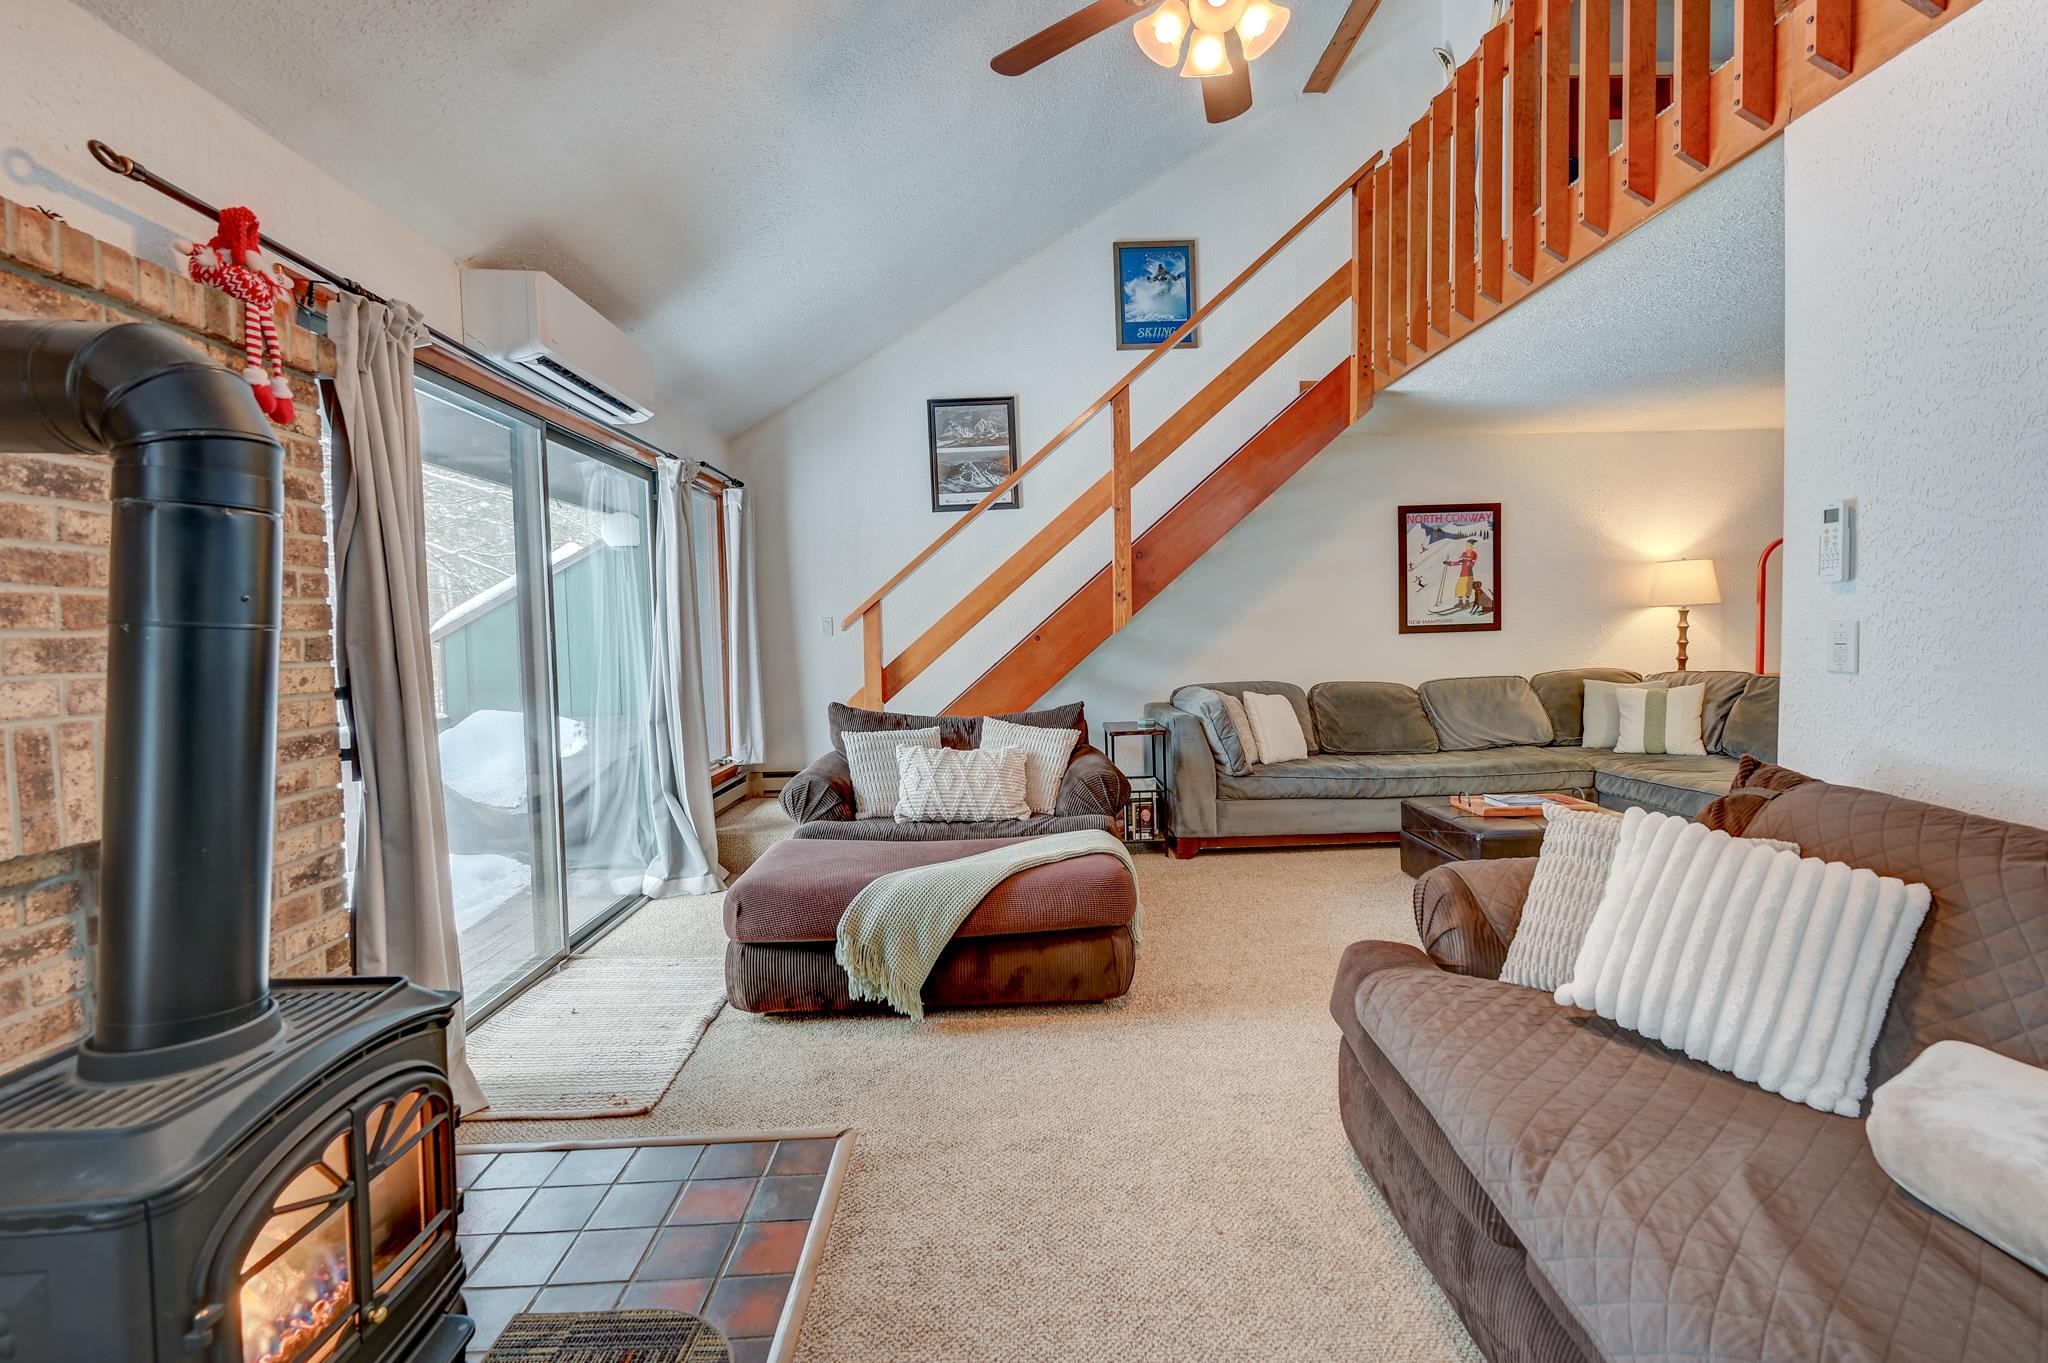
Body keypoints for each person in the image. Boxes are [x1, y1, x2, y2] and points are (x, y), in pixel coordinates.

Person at [1444, 539, 1480, 607]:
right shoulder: (1464, 553)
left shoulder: (1474, 554)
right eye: (1466, 545)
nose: (1467, 546)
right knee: (1459, 586)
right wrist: (1449, 563)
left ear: (1472, 546)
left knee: (1467, 587)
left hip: (1469, 574)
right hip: (1462, 574)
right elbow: (1459, 562)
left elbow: (1472, 564)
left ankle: (1467, 602)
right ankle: (1460, 602)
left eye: (1469, 545)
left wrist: (1466, 561)